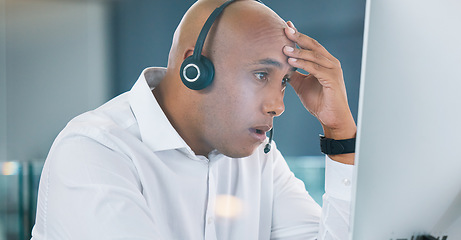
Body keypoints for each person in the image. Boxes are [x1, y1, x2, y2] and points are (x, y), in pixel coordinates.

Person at [32, 0, 357, 239]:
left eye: (284, 81)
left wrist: (340, 132)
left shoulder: (258, 160)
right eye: (261, 74)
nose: (278, 106)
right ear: (195, 69)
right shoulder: (94, 151)